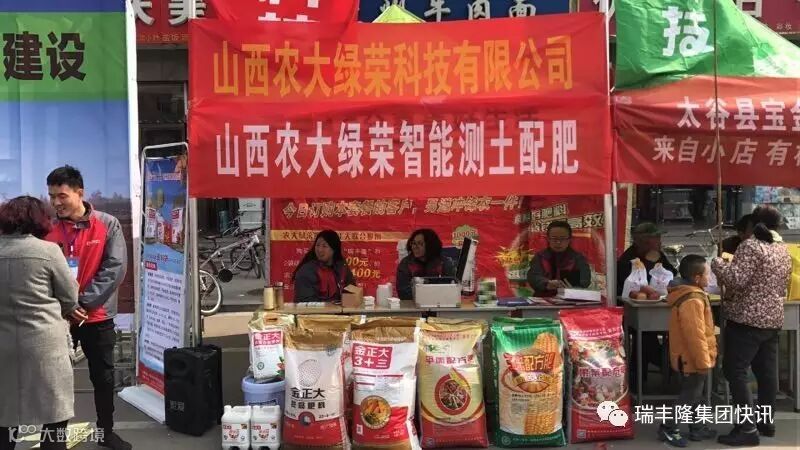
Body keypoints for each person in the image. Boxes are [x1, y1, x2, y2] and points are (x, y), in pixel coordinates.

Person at [44, 166, 130, 450]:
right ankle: (53, 439)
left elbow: (114, 268)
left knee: (103, 378)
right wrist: (67, 306)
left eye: (62, 196)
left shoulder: (107, 224)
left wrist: (83, 303)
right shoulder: (47, 228)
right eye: (52, 196)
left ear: (79, 193)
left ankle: (106, 432)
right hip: (58, 318)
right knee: (55, 381)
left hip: (97, 317)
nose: (56, 202)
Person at [0, 196, 83, 450]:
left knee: (5, 416)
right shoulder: (48, 251)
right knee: (54, 416)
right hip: (45, 346)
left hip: (4, 346)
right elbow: (70, 297)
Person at [712, 206, 791, 447]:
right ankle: (765, 422)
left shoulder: (750, 246)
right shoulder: (781, 248)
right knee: (766, 374)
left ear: (755, 224)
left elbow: (736, 280)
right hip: (772, 319)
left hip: (747, 319)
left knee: (735, 371)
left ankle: (747, 428)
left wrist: (718, 264)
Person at [657, 255, 718, 447]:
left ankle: (697, 428)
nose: (710, 277)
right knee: (689, 396)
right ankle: (668, 428)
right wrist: (703, 361)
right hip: (692, 358)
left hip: (692, 356)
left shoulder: (692, 295)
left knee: (696, 395)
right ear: (697, 278)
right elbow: (695, 335)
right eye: (708, 274)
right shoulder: (692, 300)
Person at [527, 221, 591, 297]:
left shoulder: (578, 258)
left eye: (562, 239)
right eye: (554, 238)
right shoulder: (540, 256)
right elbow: (533, 277)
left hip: (570, 299)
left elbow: (585, 280)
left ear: (569, 239)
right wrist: (546, 283)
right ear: (548, 239)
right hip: (543, 298)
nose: (558, 242)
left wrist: (573, 286)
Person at [293, 230, 356, 303]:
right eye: (317, 245)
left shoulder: (341, 267)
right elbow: (307, 302)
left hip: (338, 309)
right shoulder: (306, 271)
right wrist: (333, 306)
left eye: (324, 246)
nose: (320, 250)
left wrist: (352, 299)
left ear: (334, 249)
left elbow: (352, 291)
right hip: (313, 310)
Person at [617, 222, 678, 295]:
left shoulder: (658, 255)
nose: (660, 243)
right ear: (643, 242)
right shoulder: (628, 260)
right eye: (656, 239)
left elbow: (672, 272)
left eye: (659, 238)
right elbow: (628, 288)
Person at [396, 229, 455, 300]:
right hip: (413, 305)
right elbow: (403, 293)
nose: (415, 247)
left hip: (440, 303)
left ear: (430, 245)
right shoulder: (406, 263)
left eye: (420, 243)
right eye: (413, 243)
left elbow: (451, 289)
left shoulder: (444, 262)